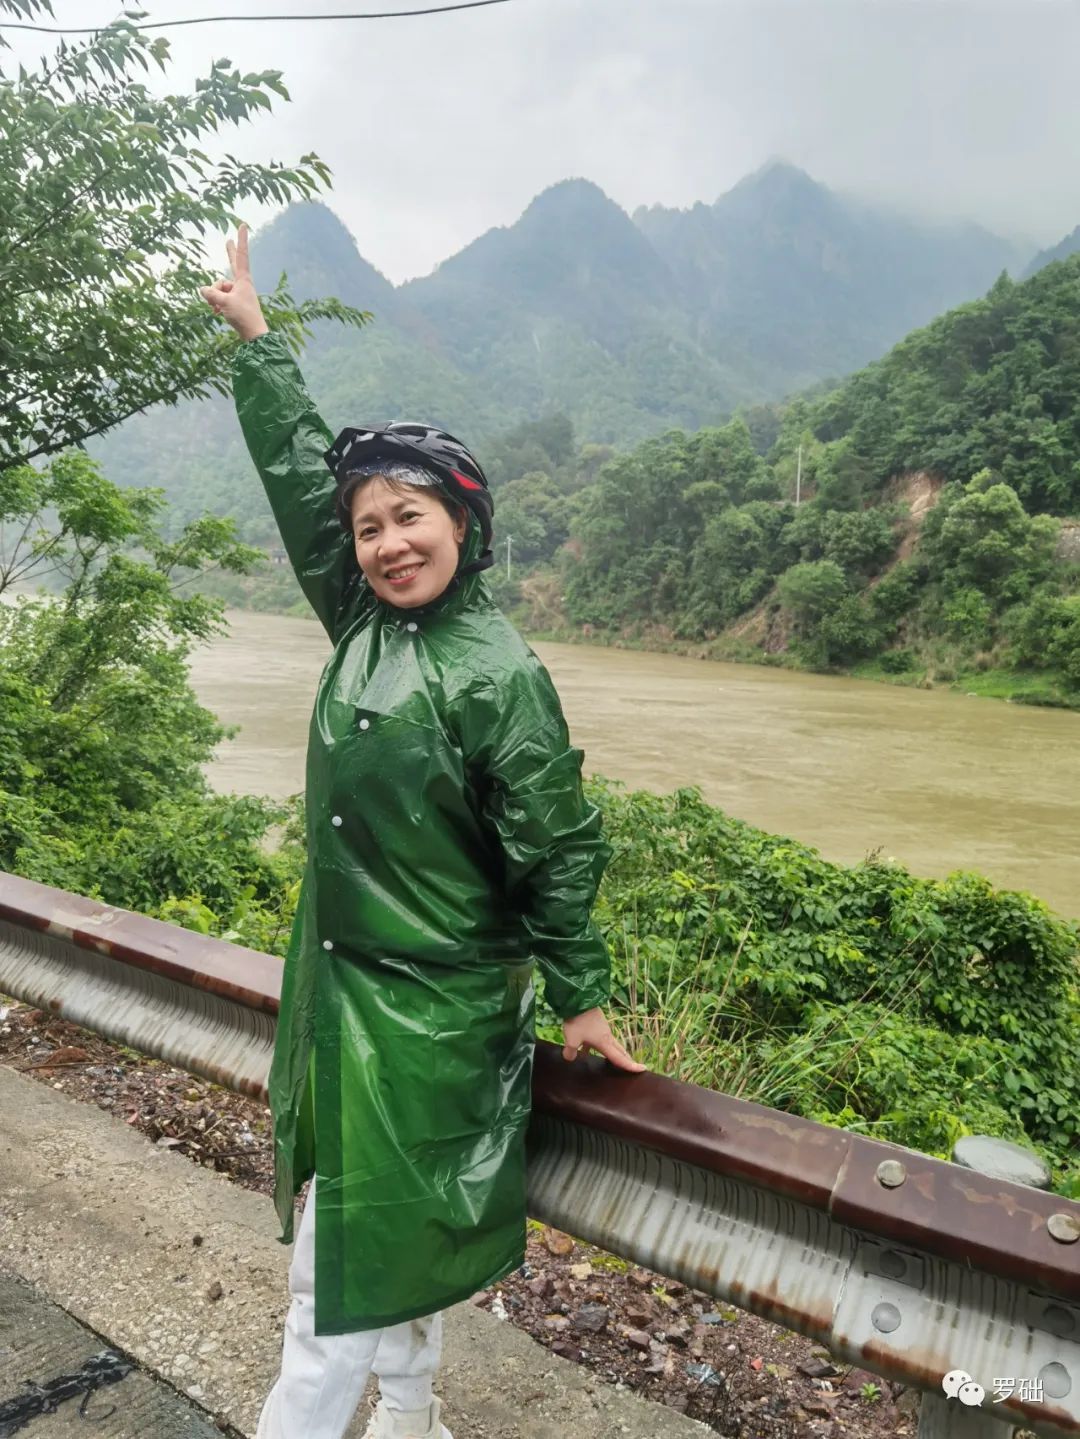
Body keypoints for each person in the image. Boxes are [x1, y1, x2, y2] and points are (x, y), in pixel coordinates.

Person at [200, 226, 645, 1439]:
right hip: (339, 994)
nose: (387, 542)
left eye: (410, 517)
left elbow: (554, 847)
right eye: (369, 528)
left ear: (463, 518)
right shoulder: (366, 622)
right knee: (377, 1247)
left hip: (431, 1018)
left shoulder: (497, 672)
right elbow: (304, 481)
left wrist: (584, 996)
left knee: (332, 1285)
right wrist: (257, 342)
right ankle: (410, 1422)